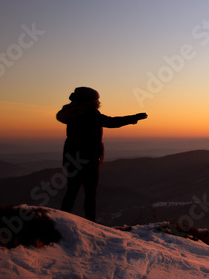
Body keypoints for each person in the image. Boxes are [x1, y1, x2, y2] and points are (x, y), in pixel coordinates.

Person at [56, 87, 147, 222]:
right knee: (90, 194)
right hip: (89, 159)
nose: (98, 102)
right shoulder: (90, 114)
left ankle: (62, 220)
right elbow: (111, 122)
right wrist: (133, 118)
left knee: (71, 191)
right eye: (96, 100)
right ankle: (91, 223)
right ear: (90, 101)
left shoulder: (72, 113)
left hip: (71, 158)